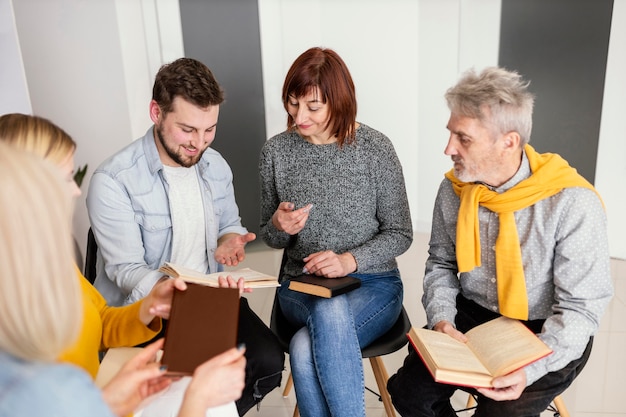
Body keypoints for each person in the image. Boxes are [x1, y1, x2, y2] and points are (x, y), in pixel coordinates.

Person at [387, 67, 613, 417]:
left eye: (464, 138)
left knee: (498, 411)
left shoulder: (571, 203)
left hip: (545, 329)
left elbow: (580, 311)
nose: (448, 148)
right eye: (450, 134)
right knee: (407, 393)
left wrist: (531, 370)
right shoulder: (453, 190)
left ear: (509, 142)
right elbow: (442, 264)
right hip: (472, 318)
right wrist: (442, 319)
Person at [0, 113, 246, 417]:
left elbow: (99, 321)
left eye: (209, 129)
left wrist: (148, 307)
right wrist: (197, 399)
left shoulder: (47, 257)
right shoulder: (38, 385)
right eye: (65, 179)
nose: (77, 191)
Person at [86, 57, 284, 415]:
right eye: (188, 129)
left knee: (267, 362)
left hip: (209, 298)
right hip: (150, 308)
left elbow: (229, 223)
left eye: (209, 130)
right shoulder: (113, 181)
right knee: (174, 386)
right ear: (155, 112)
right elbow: (126, 271)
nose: (199, 143)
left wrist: (229, 241)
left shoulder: (215, 165)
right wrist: (175, 296)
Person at [259, 47, 413, 417]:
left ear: (340, 102)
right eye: (293, 104)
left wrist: (349, 260)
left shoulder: (376, 149)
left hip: (375, 284)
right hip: (302, 286)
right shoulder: (276, 152)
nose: (299, 116)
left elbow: (400, 232)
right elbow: (271, 236)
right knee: (328, 312)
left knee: (302, 346)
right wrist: (279, 226)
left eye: (313, 107)